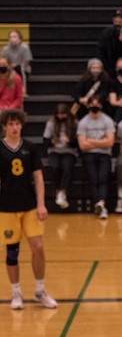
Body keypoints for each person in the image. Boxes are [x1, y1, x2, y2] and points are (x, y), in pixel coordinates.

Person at [1, 109, 56, 310]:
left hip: (29, 206)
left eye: (17, 124)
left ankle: (40, 291)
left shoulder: (30, 149)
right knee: (12, 253)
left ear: (21, 125)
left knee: (38, 247)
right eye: (10, 124)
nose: (14, 128)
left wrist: (41, 204)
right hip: (6, 209)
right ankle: (16, 293)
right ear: (5, 126)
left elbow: (38, 177)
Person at [76, 96, 116, 219]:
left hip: (105, 154)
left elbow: (110, 142)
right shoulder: (83, 122)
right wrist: (101, 141)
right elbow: (82, 145)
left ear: (101, 106)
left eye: (97, 104)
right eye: (92, 104)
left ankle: (101, 204)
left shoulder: (107, 121)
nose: (95, 107)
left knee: (103, 179)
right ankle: (100, 205)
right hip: (89, 154)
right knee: (94, 180)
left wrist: (91, 141)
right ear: (88, 106)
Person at [42, 104, 78, 210]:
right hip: (54, 150)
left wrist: (69, 141)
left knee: (66, 166)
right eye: (59, 115)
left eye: (63, 115)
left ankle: (63, 191)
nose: (61, 117)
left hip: (69, 151)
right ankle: (58, 190)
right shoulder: (51, 123)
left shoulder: (75, 123)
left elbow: (78, 142)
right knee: (55, 167)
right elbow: (45, 140)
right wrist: (53, 141)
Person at [97, 8, 122, 76]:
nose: (119, 20)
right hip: (109, 62)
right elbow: (100, 50)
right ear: (113, 20)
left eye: (121, 18)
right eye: (117, 17)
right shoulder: (106, 33)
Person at [2, 31, 31, 97]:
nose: (12, 39)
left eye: (14, 37)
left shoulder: (25, 48)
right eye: (10, 37)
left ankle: (23, 91)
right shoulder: (5, 49)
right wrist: (11, 66)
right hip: (10, 68)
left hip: (23, 68)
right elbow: (4, 61)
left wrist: (17, 65)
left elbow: (26, 62)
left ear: (19, 39)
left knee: (20, 69)